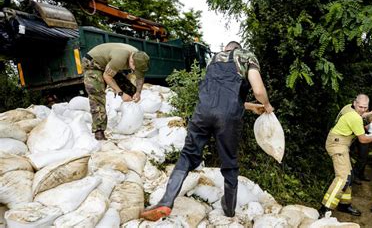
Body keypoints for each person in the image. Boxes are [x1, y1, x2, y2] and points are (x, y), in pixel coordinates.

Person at [140, 41, 273, 221]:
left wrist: (250, 107)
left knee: (187, 155)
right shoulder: (246, 56)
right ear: (239, 49)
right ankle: (229, 209)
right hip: (228, 117)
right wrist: (266, 105)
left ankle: (166, 200)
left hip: (203, 112)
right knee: (230, 162)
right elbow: (257, 89)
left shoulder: (214, 59)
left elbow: (219, 93)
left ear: (226, 49)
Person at [319, 94, 372, 217]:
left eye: (365, 108)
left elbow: (361, 116)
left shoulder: (348, 108)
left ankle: (344, 204)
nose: (362, 110)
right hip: (337, 145)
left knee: (349, 175)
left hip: (338, 143)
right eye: (360, 106)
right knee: (343, 177)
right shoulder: (355, 118)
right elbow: (362, 139)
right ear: (355, 103)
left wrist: (369, 114)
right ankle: (325, 208)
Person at [82, 42, 150, 140]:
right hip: (93, 63)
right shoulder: (120, 58)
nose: (136, 71)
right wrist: (121, 93)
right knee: (97, 94)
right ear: (132, 62)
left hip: (109, 64)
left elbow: (140, 78)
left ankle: (129, 119)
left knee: (131, 89)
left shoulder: (139, 58)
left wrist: (138, 92)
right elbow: (107, 76)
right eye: (136, 69)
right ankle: (99, 131)